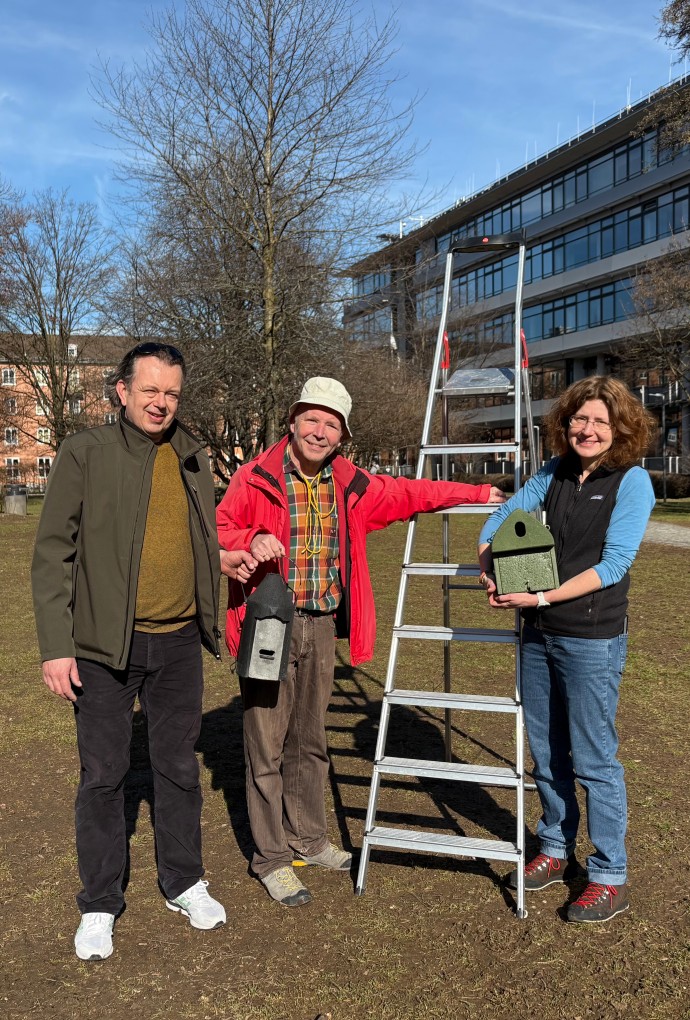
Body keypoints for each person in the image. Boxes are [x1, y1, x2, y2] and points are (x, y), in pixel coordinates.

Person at [216, 376, 505, 907]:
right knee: (265, 744)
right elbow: (218, 527)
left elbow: (410, 493)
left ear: (342, 435)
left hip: (321, 624)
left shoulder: (350, 483)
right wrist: (248, 540)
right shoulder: (253, 476)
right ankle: (272, 858)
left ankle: (309, 838)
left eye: (332, 424)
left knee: (310, 740)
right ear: (293, 421)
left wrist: (478, 492)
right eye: (312, 419)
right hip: (268, 624)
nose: (320, 431)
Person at [31, 341, 255, 962]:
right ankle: (100, 902)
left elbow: (192, 536)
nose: (162, 403)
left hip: (180, 641)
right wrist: (57, 646)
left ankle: (184, 881)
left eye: (172, 393)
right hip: (105, 646)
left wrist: (222, 559)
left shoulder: (191, 454)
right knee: (103, 775)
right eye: (150, 390)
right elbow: (53, 554)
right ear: (122, 391)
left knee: (178, 768)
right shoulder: (85, 453)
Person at [477, 376, 655, 924]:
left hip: (591, 638)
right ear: (566, 424)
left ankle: (608, 875)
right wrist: (490, 565)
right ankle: (554, 849)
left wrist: (543, 595)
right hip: (537, 634)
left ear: (620, 428)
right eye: (581, 419)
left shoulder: (633, 483)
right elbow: (498, 522)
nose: (589, 429)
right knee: (547, 754)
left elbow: (614, 565)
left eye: (601, 421)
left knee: (595, 759)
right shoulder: (551, 474)